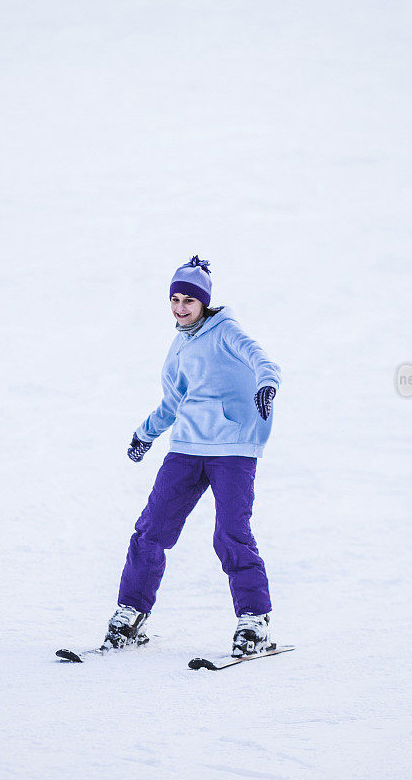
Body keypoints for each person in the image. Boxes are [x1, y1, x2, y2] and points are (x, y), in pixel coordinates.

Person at [103, 255, 282, 656]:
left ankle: (255, 620)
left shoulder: (225, 331)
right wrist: (145, 434)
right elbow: (173, 401)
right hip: (185, 447)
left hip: (232, 448)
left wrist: (267, 384)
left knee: (231, 533)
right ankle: (131, 613)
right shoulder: (178, 345)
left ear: (205, 303)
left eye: (189, 300)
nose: (181, 307)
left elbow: (263, 360)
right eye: (175, 299)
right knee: (151, 530)